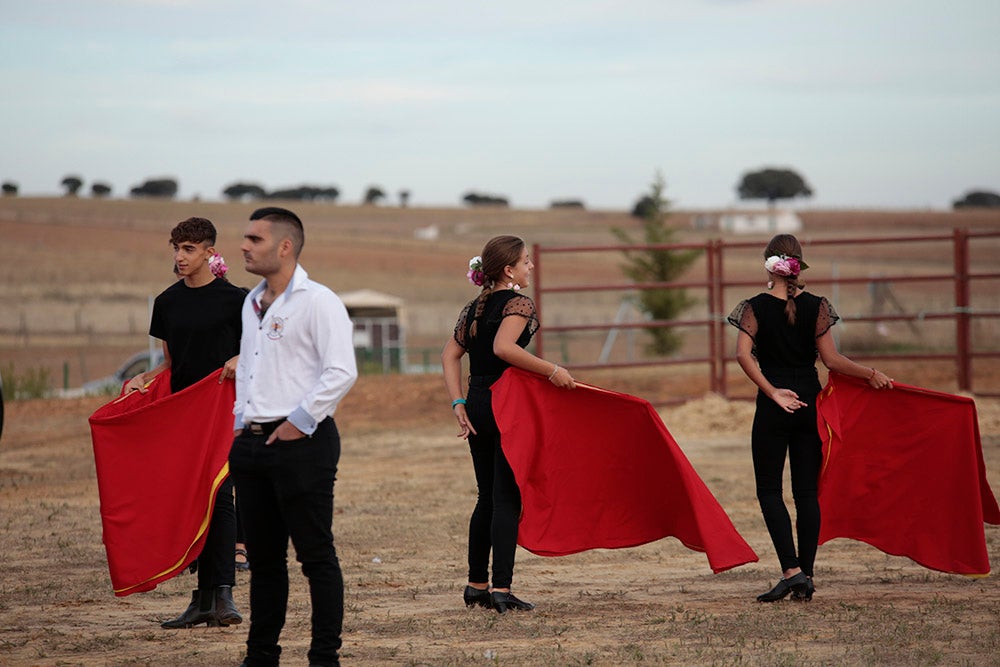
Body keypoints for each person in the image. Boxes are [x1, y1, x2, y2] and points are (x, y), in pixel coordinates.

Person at [728, 233, 893, 603]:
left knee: (769, 490)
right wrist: (869, 373)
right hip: (810, 405)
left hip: (774, 407)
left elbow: (742, 355)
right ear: (799, 265)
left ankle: (791, 572)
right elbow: (833, 361)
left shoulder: (753, 307)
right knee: (806, 494)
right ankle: (807, 574)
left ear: (768, 265)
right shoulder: (818, 306)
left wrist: (772, 392)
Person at [228, 207, 357, 667]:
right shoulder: (250, 302)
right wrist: (241, 424)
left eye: (254, 239)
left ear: (285, 246)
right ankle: (260, 657)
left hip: (304, 441)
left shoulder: (319, 301)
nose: (243, 246)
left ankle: (325, 658)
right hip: (252, 444)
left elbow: (341, 371)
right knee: (263, 563)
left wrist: (298, 421)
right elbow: (248, 369)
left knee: (316, 556)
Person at [441, 235, 576, 614]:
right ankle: (501, 589)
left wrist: (458, 402)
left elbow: (449, 356)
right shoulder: (519, 303)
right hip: (506, 404)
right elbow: (504, 349)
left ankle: (476, 586)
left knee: (487, 495)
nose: (531, 266)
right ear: (509, 270)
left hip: (479, 402)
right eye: (527, 261)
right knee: (506, 498)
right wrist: (553, 371)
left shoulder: (473, 308)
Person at [123, 216, 245, 628]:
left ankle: (224, 595)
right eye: (176, 248)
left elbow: (264, 354)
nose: (180, 256)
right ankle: (203, 600)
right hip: (182, 414)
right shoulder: (166, 303)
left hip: (224, 410)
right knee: (194, 499)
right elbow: (171, 365)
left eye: (189, 249)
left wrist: (240, 358)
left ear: (210, 252)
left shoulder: (238, 301)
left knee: (220, 491)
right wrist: (144, 378)